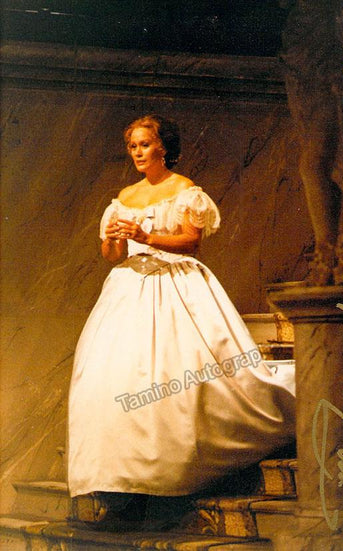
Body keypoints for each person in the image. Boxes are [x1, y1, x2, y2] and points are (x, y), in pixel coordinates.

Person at [67, 114, 296, 515]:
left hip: (175, 283)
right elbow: (112, 255)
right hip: (128, 289)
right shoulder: (125, 196)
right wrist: (115, 240)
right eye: (133, 146)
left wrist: (147, 236)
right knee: (111, 376)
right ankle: (121, 477)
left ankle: (171, 472)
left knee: (176, 374)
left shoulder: (185, 189)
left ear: (163, 148)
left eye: (145, 144)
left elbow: (191, 242)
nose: (137, 152)